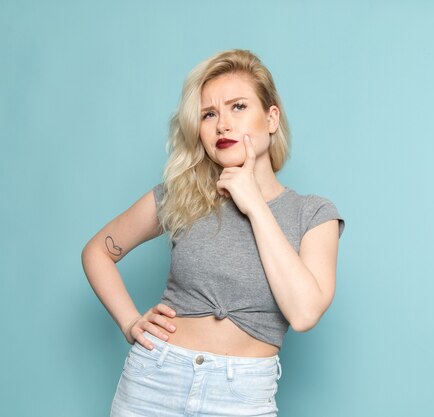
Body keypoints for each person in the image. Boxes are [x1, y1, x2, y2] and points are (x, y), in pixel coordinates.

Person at [81, 49, 345, 417]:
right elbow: (97, 252)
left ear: (271, 118)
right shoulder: (181, 196)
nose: (222, 124)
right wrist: (130, 322)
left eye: (238, 107)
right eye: (209, 114)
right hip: (153, 382)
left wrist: (253, 203)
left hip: (241, 396)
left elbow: (304, 314)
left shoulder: (313, 214)